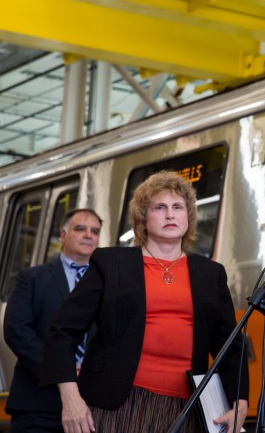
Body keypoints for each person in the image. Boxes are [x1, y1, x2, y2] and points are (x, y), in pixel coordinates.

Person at [41, 171, 248, 433]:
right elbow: (61, 333)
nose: (170, 214)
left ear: (188, 216)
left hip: (187, 408)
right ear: (143, 218)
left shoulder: (211, 273)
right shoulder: (111, 263)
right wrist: (70, 398)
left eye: (178, 207)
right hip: (115, 405)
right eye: (160, 207)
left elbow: (231, 347)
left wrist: (240, 402)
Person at [4, 208, 103, 432]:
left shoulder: (108, 283)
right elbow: (16, 330)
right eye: (80, 229)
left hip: (92, 404)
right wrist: (61, 371)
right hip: (37, 403)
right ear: (63, 235)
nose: (89, 235)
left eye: (95, 231)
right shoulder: (31, 278)